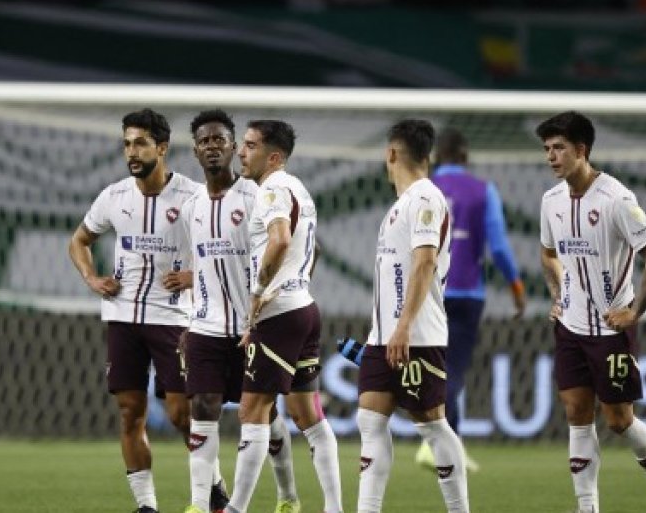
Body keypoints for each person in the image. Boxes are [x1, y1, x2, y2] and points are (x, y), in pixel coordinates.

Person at [536, 111, 646, 513]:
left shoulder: (617, 199)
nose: (551, 157)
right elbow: (548, 255)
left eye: (559, 148)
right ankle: (587, 508)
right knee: (576, 413)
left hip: (610, 330)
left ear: (581, 150)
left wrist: (634, 312)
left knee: (619, 421)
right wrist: (557, 293)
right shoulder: (550, 201)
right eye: (547, 149)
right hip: (569, 327)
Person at [68, 108, 199, 513]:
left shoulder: (194, 197)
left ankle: (211, 485)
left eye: (140, 142)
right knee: (130, 412)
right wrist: (91, 279)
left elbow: (230, 252)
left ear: (162, 148)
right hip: (122, 317)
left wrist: (194, 275)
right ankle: (146, 506)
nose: (131, 151)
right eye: (127, 143)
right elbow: (79, 240)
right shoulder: (114, 196)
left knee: (180, 413)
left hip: (173, 319)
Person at [168, 110, 300, 513]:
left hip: (252, 327)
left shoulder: (255, 197)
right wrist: (189, 318)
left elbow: (287, 253)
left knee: (264, 416)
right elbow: (204, 267)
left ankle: (288, 495)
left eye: (220, 140)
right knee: (202, 406)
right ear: (195, 150)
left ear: (233, 147)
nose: (212, 147)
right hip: (206, 325)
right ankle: (199, 504)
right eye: (204, 141)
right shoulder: (191, 208)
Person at [225, 120, 342, 513]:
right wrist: (297, 282)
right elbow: (315, 250)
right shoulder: (299, 190)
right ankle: (333, 507)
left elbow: (280, 240)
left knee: (251, 410)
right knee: (307, 414)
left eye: (251, 145)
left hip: (279, 314)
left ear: (273, 156)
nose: (242, 151)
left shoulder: (273, 188)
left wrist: (259, 294)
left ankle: (236, 508)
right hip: (305, 308)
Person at [356, 119, 468, 513]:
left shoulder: (424, 198)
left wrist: (402, 327)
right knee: (370, 422)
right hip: (383, 337)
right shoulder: (401, 206)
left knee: (432, 424)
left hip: (416, 335)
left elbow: (424, 264)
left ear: (391, 154)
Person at [414, 127, 526, 473]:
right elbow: (500, 247)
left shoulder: (422, 191)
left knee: (436, 369)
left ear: (435, 157)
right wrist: (516, 287)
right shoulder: (483, 191)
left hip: (428, 292)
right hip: (466, 293)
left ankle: (451, 449)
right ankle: (433, 445)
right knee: (453, 371)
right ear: (465, 157)